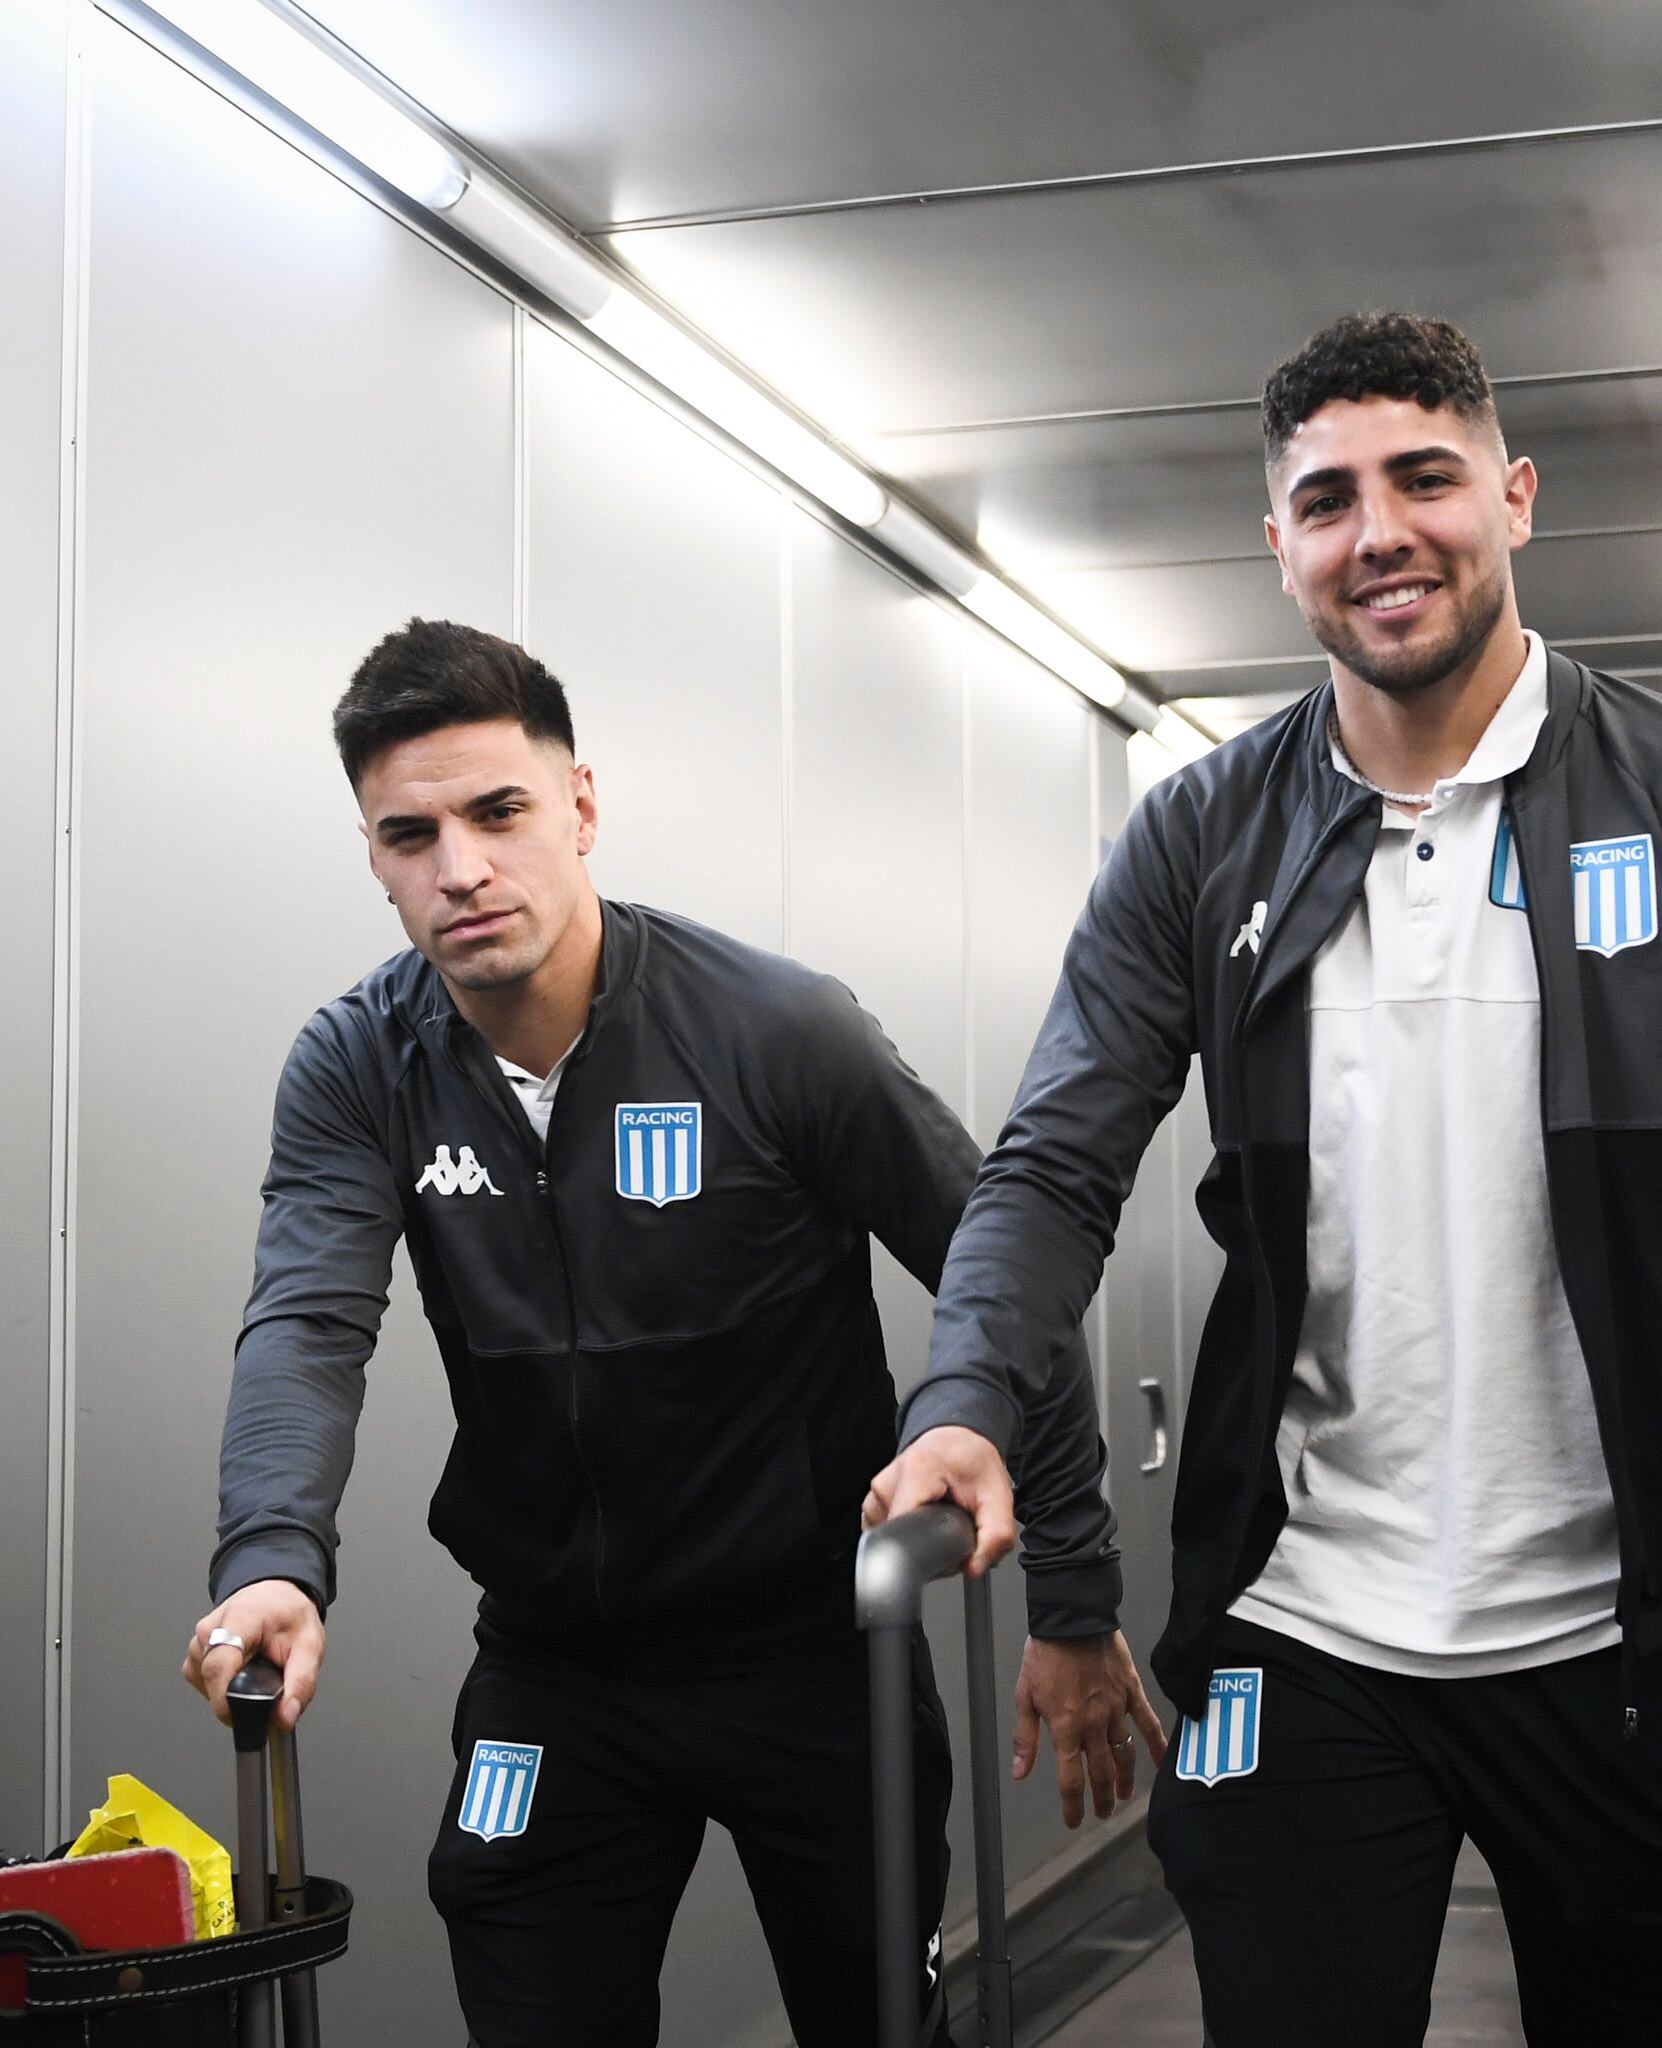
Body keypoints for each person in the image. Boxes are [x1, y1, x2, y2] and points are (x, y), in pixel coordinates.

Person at [867, 312, 1662, 2045]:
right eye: (1325, 498)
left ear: (1514, 495)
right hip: (1303, 1618)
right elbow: (1051, 1161)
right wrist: (961, 1393)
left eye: (1424, 477)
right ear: (1277, 544)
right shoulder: (1202, 834)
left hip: (1621, 1645)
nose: (1379, 532)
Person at [179, 619, 1158, 2048]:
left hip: (816, 1656)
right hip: (556, 1670)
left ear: (579, 806)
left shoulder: (774, 1033)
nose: (461, 868)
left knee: (874, 2012)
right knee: (522, 1977)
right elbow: (307, 1324)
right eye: (411, 834)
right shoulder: (360, 1066)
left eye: (499, 812)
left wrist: (1070, 1596)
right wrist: (269, 1557)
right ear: (375, 856)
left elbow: (1002, 1284)